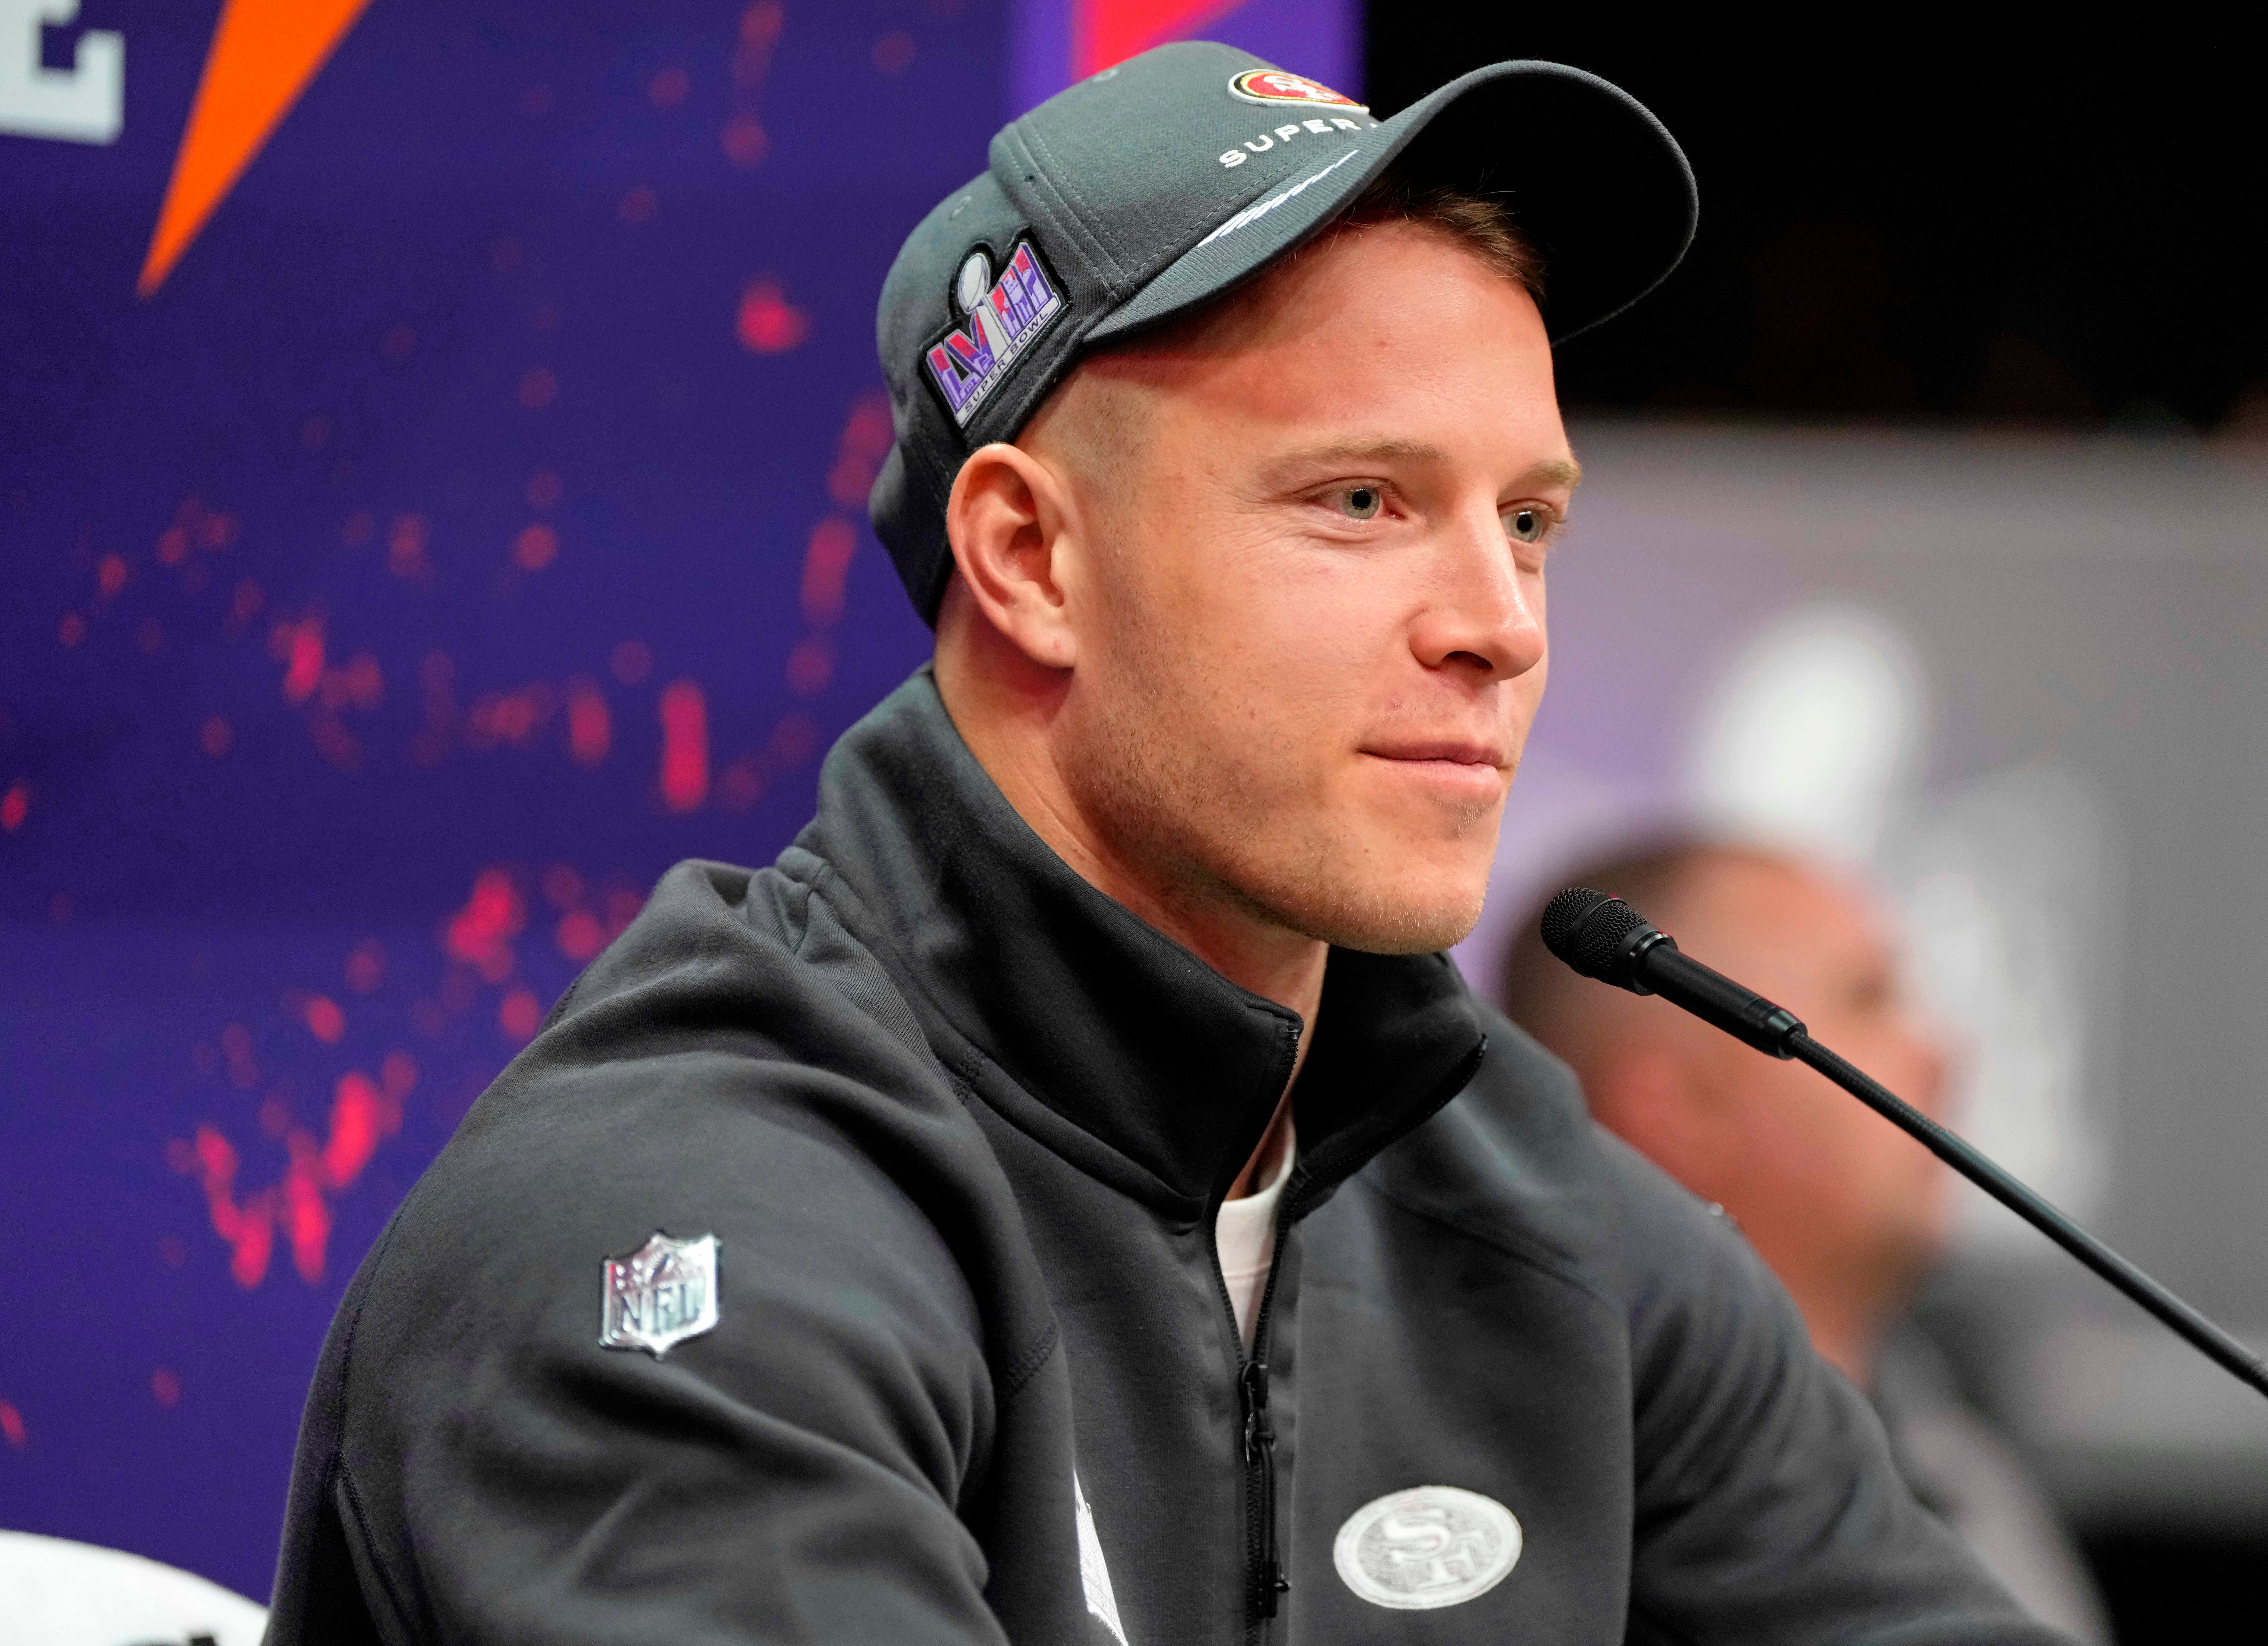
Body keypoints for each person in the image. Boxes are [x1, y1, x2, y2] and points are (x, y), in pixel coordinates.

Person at [263, 43, 2065, 1645]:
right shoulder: (680, 1220)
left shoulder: (1542, 1215)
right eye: (1363, 500)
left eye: (1527, 521)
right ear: (1031, 560)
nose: (1500, 623)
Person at [1504, 836, 2113, 1643]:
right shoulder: (1565, 1511)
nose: (1945, 1055)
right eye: (1870, 1000)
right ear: (1679, 1106)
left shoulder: (1957, 1452)